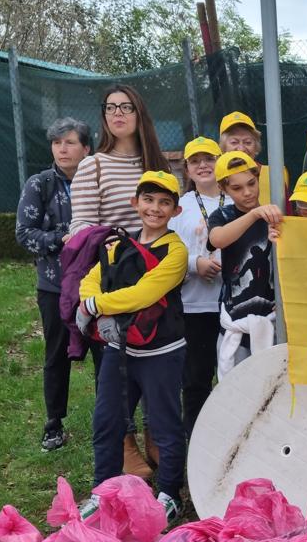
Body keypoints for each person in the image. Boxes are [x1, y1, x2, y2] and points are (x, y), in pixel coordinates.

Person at [77, 170, 190, 521]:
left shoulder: (176, 251)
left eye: (164, 203)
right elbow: (90, 280)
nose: (155, 209)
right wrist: (90, 301)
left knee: (164, 424)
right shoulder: (117, 244)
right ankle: (103, 489)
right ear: (135, 203)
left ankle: (170, 493)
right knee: (107, 421)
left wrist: (96, 308)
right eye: (148, 200)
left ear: (176, 211)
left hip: (162, 352)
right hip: (119, 349)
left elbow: (145, 294)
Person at [17, 117, 95, 451]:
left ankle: (116, 425)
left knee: (107, 355)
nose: (62, 149)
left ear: (86, 148)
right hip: (54, 286)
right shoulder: (40, 184)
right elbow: (23, 233)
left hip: (97, 286)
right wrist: (63, 240)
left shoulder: (97, 182)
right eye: (57, 143)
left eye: (70, 142)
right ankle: (53, 424)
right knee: (56, 354)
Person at [167, 135, 225, 437]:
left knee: (231, 376)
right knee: (196, 378)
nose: (203, 165)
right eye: (195, 161)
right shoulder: (181, 208)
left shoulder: (236, 198)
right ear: (187, 170)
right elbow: (170, 250)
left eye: (209, 158)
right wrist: (195, 264)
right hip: (194, 305)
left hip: (232, 305)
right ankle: (198, 439)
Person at [207, 151, 282, 376]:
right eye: (237, 188)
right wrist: (254, 214)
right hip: (236, 319)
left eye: (252, 183)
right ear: (223, 189)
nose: (248, 192)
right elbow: (217, 239)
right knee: (236, 391)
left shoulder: (275, 214)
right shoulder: (222, 215)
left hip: (272, 318)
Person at [67, 85, 168, 234]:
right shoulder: (93, 166)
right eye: (110, 108)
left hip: (162, 255)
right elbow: (80, 225)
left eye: (126, 107)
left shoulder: (160, 164)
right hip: (116, 256)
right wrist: (107, 241)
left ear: (139, 114)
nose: (117, 112)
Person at [219, 110, 290, 207]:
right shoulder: (214, 179)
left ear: (256, 147)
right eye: (234, 142)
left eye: (247, 142)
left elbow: (287, 216)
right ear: (223, 147)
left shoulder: (273, 175)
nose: (241, 148)